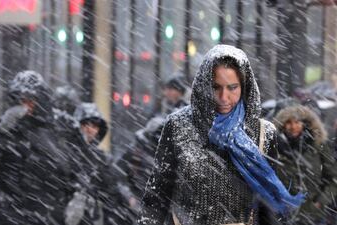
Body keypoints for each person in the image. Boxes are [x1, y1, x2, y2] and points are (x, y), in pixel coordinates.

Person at [137, 45, 305, 225]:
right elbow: (158, 194)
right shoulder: (178, 125)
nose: (224, 97)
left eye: (232, 88)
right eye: (216, 87)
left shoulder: (263, 134)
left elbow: (269, 208)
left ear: (244, 87)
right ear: (204, 85)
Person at [0, 70, 78, 225]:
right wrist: (1, 128)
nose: (25, 106)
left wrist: (71, 194)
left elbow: (66, 165)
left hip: (45, 208)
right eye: (21, 100)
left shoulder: (52, 128)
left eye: (30, 100)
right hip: (11, 208)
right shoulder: (8, 125)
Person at [273, 105, 337, 224]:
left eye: (297, 122)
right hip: (283, 215)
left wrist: (320, 201)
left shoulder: (318, 145)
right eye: (288, 122)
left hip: (313, 216)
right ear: (282, 125)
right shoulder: (275, 147)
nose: (293, 127)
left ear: (305, 124)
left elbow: (333, 178)